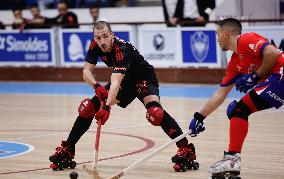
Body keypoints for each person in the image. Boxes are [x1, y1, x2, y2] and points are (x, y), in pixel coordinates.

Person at [49, 21, 199, 172]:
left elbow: (115, 82)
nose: (102, 42)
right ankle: (68, 148)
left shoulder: (122, 49)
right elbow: (86, 71)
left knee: (156, 113)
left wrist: (106, 107)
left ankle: (186, 149)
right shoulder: (95, 46)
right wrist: (96, 86)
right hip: (124, 81)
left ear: (112, 35)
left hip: (143, 78)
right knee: (88, 108)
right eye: (98, 38)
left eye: (105, 37)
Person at [188, 18, 284, 178]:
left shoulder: (247, 39)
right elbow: (221, 93)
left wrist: (255, 76)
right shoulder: (234, 62)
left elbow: (273, 53)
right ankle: (232, 160)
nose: (217, 39)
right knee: (237, 110)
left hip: (280, 75)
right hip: (276, 81)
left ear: (226, 33)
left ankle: (232, 160)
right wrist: (200, 117)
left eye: (218, 34)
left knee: (239, 109)